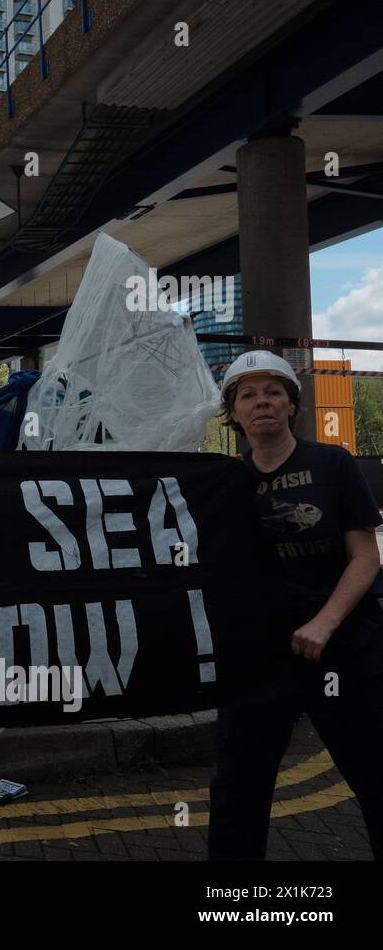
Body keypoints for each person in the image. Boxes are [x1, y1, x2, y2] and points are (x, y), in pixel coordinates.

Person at [208, 350, 383, 860]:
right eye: (248, 395)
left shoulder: (331, 464)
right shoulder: (224, 482)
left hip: (344, 650)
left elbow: (366, 556)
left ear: (291, 405)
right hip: (260, 661)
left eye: (273, 392)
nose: (261, 402)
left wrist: (324, 624)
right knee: (239, 792)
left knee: (375, 776)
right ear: (235, 412)